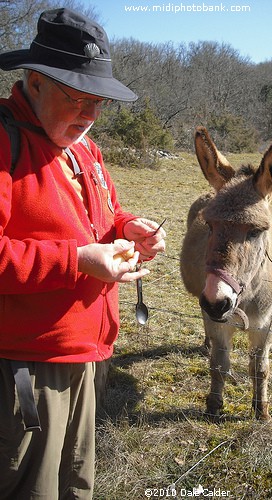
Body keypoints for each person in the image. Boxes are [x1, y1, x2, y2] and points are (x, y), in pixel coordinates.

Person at [0, 7, 166, 499]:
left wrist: (126, 227)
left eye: (98, 103)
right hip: (27, 365)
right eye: (77, 99)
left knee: (76, 486)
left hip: (90, 354)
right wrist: (76, 260)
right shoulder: (4, 142)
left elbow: (102, 216)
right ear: (34, 81)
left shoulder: (82, 148)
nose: (90, 116)